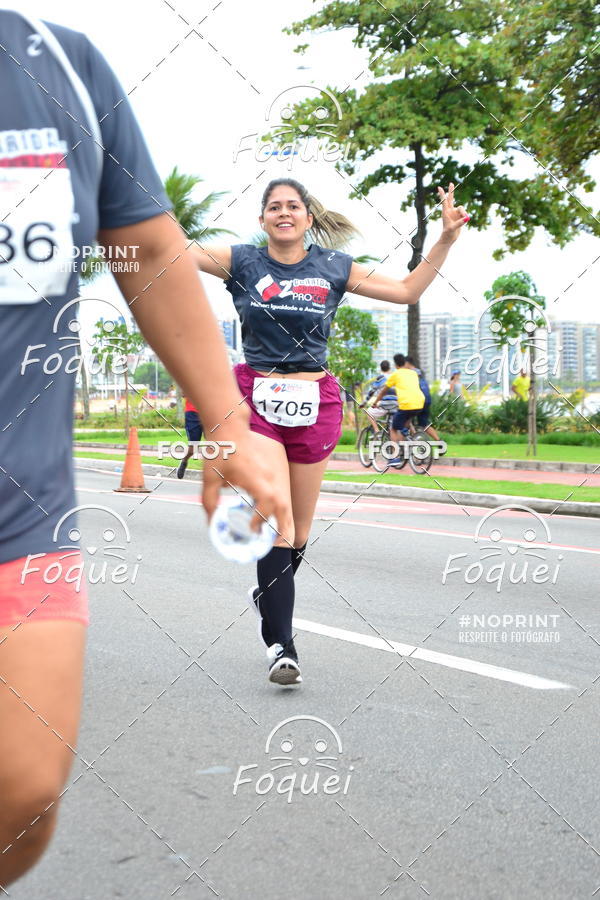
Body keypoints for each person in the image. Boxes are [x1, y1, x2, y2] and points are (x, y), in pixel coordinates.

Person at [0, 11, 285, 889]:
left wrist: (230, 426)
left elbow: (149, 247)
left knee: (25, 786)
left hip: (21, 514)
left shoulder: (63, 68)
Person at [192, 176, 469, 684]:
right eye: (273, 206)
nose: (283, 212)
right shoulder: (242, 261)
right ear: (262, 220)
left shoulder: (333, 267)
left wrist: (446, 238)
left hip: (315, 401)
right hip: (256, 399)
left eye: (292, 206)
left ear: (307, 218)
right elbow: (175, 252)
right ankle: (282, 645)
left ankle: (267, 595)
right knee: (278, 524)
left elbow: (408, 290)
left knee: (299, 534)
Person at [373, 354, 425, 462]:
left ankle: (395, 457)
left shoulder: (395, 374)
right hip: (419, 403)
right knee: (404, 426)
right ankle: (408, 439)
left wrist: (375, 402)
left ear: (396, 364)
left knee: (393, 428)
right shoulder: (413, 373)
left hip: (406, 404)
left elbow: (383, 391)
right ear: (405, 363)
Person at [405, 356, 440, 441]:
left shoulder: (410, 373)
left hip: (418, 401)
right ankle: (439, 442)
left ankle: (413, 440)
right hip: (427, 400)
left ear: (407, 363)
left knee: (404, 418)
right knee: (424, 424)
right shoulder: (419, 372)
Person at [365, 360, 398, 431]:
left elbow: (372, 392)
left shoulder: (380, 378)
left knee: (368, 412)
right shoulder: (394, 377)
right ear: (389, 368)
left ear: (381, 368)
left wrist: (365, 402)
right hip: (397, 404)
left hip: (385, 404)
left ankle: (376, 430)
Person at [177, 397, 204, 479]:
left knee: (215, 440)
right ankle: (184, 461)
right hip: (193, 413)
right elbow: (183, 392)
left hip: (209, 412)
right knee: (193, 448)